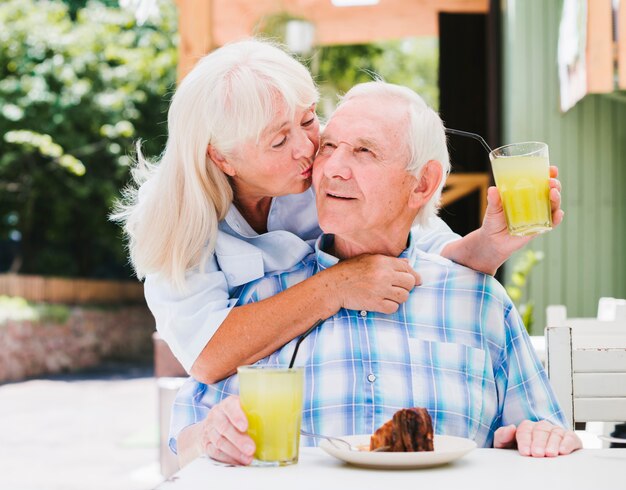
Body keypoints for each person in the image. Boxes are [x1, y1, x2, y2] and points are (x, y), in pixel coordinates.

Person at [169, 82, 581, 467]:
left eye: (364, 151)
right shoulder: (264, 301)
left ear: (422, 185)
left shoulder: (479, 300)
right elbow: (183, 442)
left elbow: (546, 432)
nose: (332, 169)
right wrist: (210, 434)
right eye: (328, 147)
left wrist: (539, 437)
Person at [112, 39, 564, 385]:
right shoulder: (174, 219)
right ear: (223, 158)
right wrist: (336, 286)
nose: (310, 149)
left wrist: (489, 244)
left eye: (309, 120)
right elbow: (207, 356)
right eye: (278, 140)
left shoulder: (329, 164)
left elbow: (422, 247)